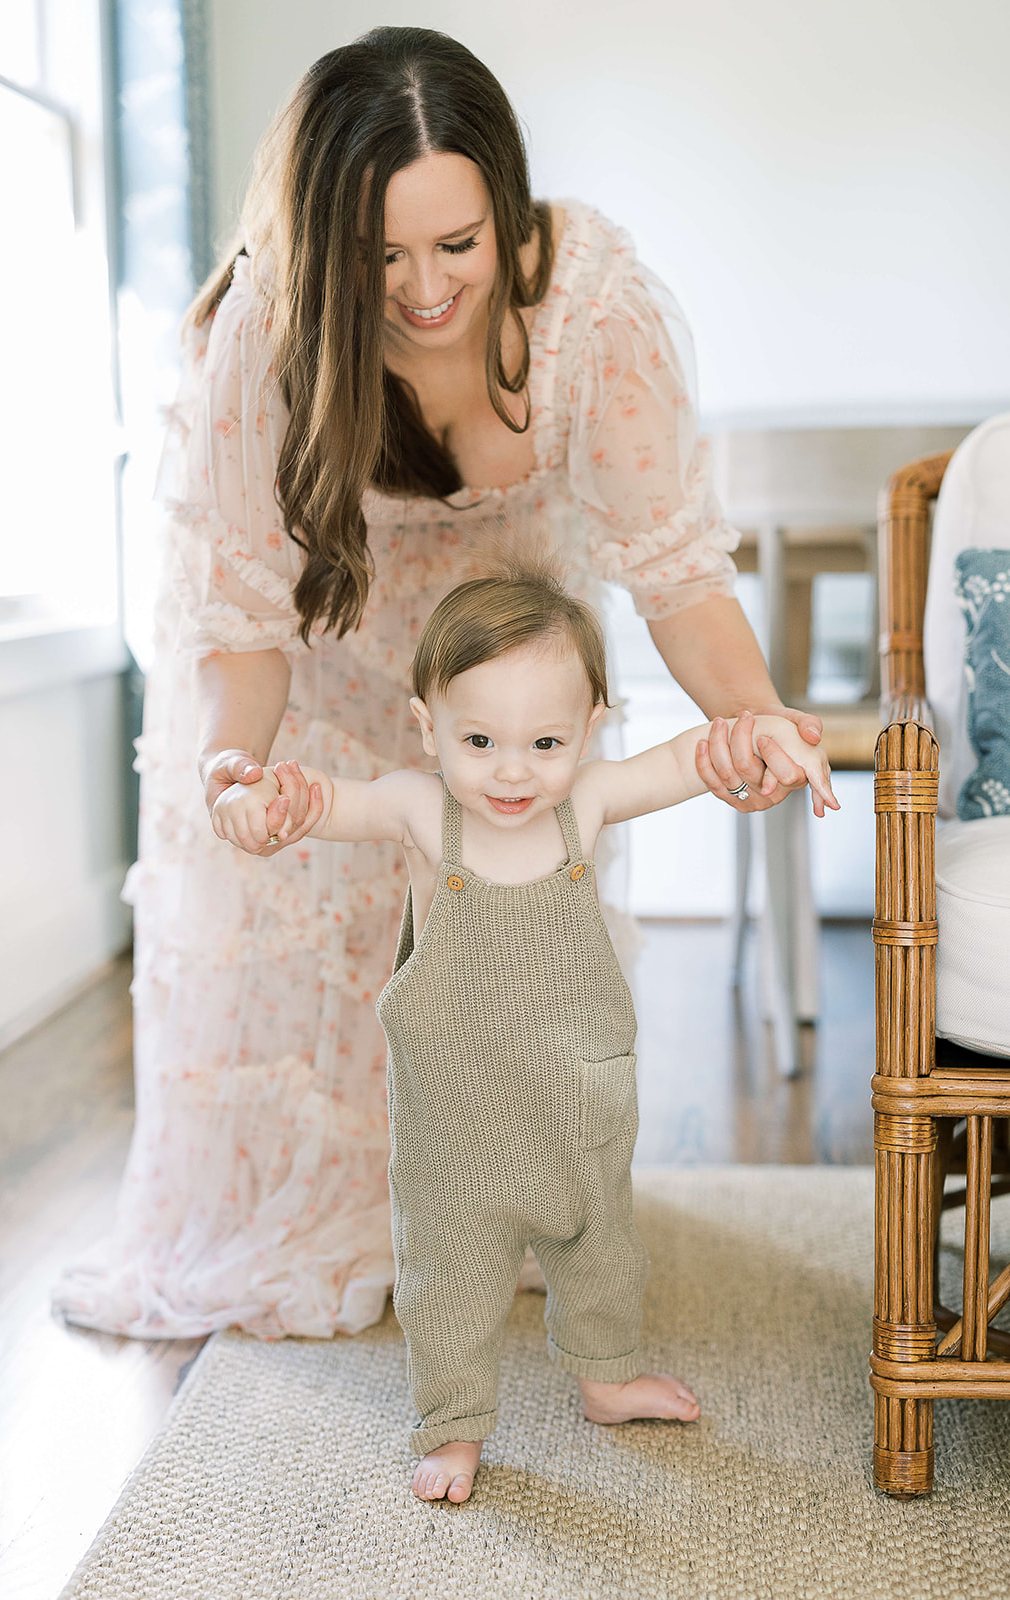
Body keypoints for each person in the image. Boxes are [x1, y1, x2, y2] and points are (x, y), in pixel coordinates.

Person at [54, 26, 824, 1341]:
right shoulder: (270, 330)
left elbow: (675, 569)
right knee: (313, 935)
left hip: (497, 671)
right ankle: (332, 1213)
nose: (420, 290)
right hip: (317, 651)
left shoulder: (590, 311)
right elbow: (242, 615)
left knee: (495, 939)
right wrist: (232, 763)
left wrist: (747, 720)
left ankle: (483, 1201)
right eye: (379, 256)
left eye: (455, 247)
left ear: (506, 211)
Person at [217, 568, 837, 1503]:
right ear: (427, 728)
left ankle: (607, 1376)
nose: (512, 771)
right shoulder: (420, 810)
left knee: (603, 1253)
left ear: (591, 726)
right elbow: (320, 805)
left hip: (576, 1110)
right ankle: (453, 1424)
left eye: (545, 741)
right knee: (450, 1283)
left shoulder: (583, 802)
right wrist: (265, 801)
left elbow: (687, 760)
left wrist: (758, 733)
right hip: (456, 1133)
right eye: (478, 740)